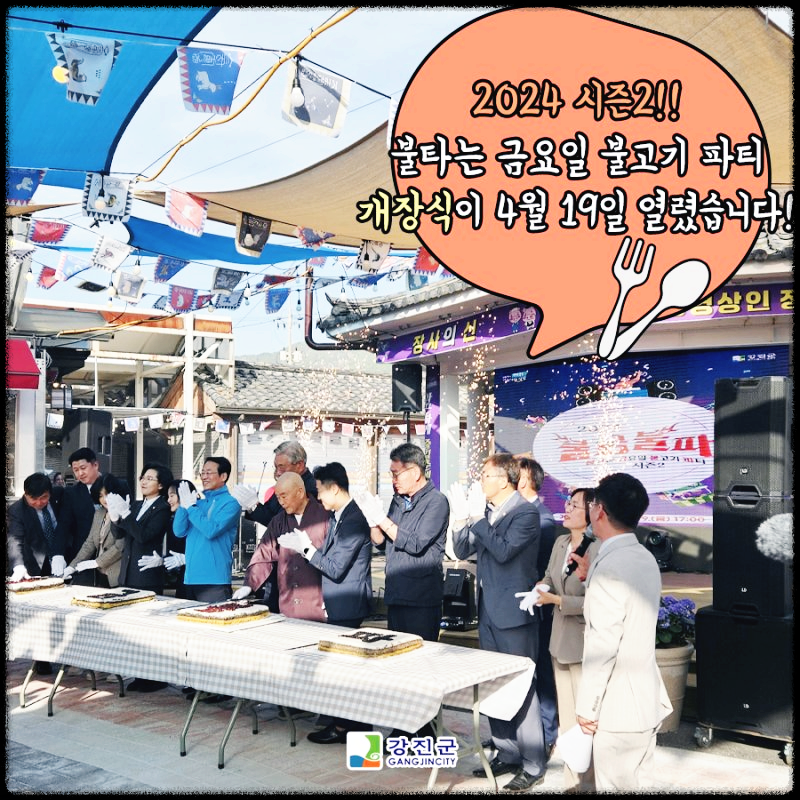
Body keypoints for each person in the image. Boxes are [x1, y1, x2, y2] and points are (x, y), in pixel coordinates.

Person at [450, 454, 547, 792]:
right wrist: (461, 519)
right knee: (493, 684)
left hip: (514, 615)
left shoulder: (526, 513)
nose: (480, 481)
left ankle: (533, 763)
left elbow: (504, 551)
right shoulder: (488, 512)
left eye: (486, 475)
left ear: (505, 480)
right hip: (489, 611)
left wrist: (478, 518)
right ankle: (507, 752)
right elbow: (462, 550)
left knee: (522, 687)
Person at [575, 472, 672, 791]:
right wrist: (591, 578)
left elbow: (603, 645)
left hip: (617, 709)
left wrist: (587, 707)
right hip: (644, 699)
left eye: (591, 504)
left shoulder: (611, 566)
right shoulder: (644, 557)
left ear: (600, 511)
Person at [279, 462, 373, 745]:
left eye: (320, 490)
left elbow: (335, 567)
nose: (318, 497)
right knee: (341, 671)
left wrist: (307, 549)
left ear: (334, 489)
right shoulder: (339, 515)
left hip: (347, 603)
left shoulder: (353, 519)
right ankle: (346, 725)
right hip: (336, 601)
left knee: (346, 673)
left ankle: (350, 728)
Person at [533, 488, 600, 792]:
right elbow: (550, 577)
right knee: (568, 723)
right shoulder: (561, 542)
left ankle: (589, 783)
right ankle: (572, 783)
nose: (567, 509)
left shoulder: (597, 549)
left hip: (584, 645)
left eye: (574, 505)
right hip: (559, 641)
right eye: (568, 503)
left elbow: (596, 601)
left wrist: (557, 601)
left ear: (592, 513)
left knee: (587, 722)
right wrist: (540, 587)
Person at [354, 442, 449, 643]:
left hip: (421, 598)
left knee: (420, 654)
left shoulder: (436, 501)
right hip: (396, 592)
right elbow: (382, 542)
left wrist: (381, 519)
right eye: (391, 474)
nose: (393, 480)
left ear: (415, 472)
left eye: (396, 474)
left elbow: (416, 543)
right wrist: (372, 521)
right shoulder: (398, 500)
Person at [230, 441, 318, 612]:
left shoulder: (310, 490)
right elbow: (272, 519)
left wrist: (255, 507)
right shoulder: (285, 484)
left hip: (300, 571)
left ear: (300, 465)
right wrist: (253, 506)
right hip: (278, 563)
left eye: (282, 467)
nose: (277, 472)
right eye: (275, 467)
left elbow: (283, 523)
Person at [232, 472, 329, 620]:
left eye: (284, 496)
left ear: (300, 492)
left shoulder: (325, 517)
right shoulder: (278, 521)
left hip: (317, 602)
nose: (281, 502)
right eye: (278, 497)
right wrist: (249, 584)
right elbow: (264, 553)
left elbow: (337, 561)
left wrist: (334, 597)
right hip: (288, 602)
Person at [516, 456, 559, 757]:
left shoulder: (542, 518)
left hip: (539, 604)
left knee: (541, 668)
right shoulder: (516, 513)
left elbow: (538, 568)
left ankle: (547, 732)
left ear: (525, 479)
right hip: (518, 606)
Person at [172, 456, 240, 604]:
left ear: (223, 476)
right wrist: (183, 506)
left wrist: (191, 507)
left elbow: (211, 530)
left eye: (209, 472)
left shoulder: (231, 503)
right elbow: (179, 531)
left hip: (214, 580)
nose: (204, 477)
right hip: (190, 577)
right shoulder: (198, 503)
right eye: (202, 473)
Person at [108, 463, 173, 595]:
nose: (143, 482)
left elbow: (144, 536)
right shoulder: (136, 505)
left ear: (160, 485)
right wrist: (115, 519)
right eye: (142, 478)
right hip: (127, 573)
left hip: (146, 576)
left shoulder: (163, 508)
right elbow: (119, 535)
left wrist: (126, 515)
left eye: (149, 479)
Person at [63, 474, 129, 589]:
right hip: (99, 574)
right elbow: (90, 543)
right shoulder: (99, 513)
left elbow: (120, 546)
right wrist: (72, 566)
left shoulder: (124, 512)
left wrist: (97, 562)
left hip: (118, 574)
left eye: (107, 494)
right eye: (100, 495)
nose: (104, 499)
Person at [7, 472, 65, 582]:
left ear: (50, 493)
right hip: (35, 564)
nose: (39, 503)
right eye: (33, 498)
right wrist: (18, 565)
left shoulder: (60, 494)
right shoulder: (17, 510)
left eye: (44, 497)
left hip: (62, 557)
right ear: (25, 494)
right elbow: (15, 539)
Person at [56, 447, 103, 564]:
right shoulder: (71, 493)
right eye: (75, 470)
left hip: (113, 556)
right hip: (82, 555)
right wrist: (58, 554)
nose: (80, 473)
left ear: (95, 465)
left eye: (83, 468)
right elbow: (63, 525)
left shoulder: (118, 486)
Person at [162, 479, 193, 599]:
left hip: (196, 579)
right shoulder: (172, 519)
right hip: (181, 578)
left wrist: (186, 558)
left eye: (172, 495)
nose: (169, 500)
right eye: (168, 496)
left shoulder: (195, 518)